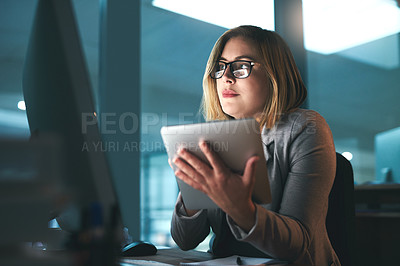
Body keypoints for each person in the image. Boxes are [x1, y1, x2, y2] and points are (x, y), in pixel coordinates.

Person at [169, 25, 339, 266]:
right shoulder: (212, 138)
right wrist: (191, 194)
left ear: (274, 74)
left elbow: (297, 243)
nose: (226, 77)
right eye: (220, 67)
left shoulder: (305, 128)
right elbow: (185, 240)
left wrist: (243, 210)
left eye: (241, 66)